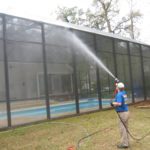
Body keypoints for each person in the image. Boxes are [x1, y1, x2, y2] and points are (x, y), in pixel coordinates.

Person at [111, 82, 130, 149]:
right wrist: (117, 83)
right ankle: (127, 142)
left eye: (116, 87)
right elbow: (119, 88)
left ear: (118, 88)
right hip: (126, 112)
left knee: (122, 129)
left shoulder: (119, 94)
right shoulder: (124, 92)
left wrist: (113, 103)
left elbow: (119, 103)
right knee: (126, 128)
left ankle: (125, 144)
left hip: (122, 113)